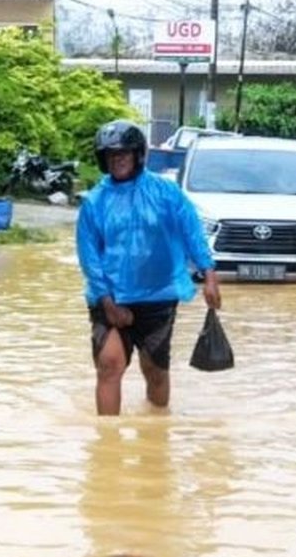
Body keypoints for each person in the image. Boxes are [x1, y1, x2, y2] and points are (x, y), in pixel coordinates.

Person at [76, 120, 222, 416]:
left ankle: (157, 429)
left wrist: (209, 274)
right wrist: (107, 302)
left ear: (138, 154)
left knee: (154, 371)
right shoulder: (94, 203)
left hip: (158, 296)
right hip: (111, 297)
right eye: (110, 155)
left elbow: (191, 231)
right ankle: (108, 446)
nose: (117, 160)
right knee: (109, 365)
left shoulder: (166, 193)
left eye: (123, 154)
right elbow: (89, 257)